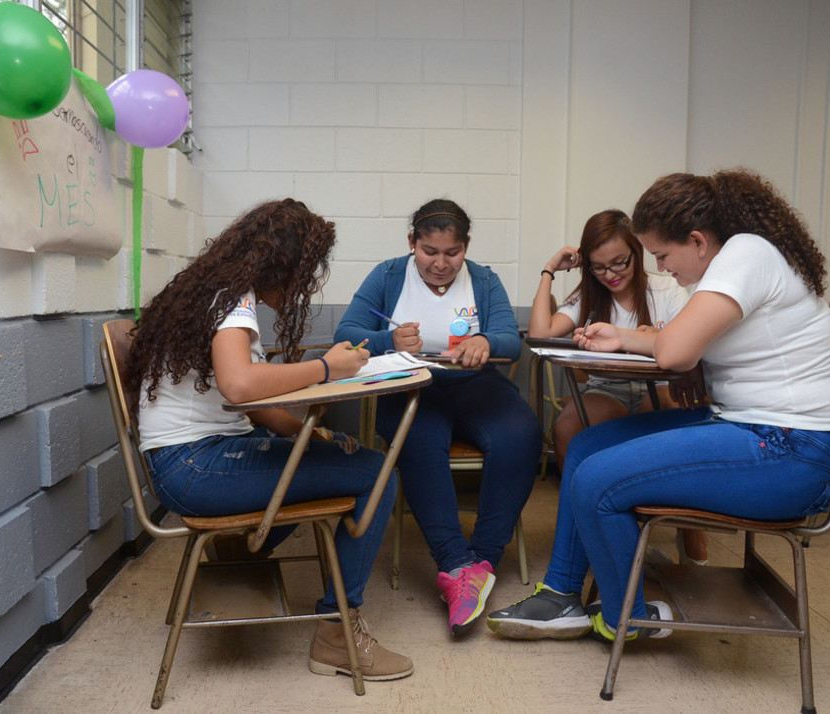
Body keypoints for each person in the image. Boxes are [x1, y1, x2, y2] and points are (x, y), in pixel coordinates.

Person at [487, 169, 830, 644]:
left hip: (793, 454)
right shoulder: (738, 257)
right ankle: (561, 595)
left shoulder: (746, 254)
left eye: (662, 255)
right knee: (586, 446)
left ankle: (628, 618)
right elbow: (681, 344)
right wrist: (623, 335)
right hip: (758, 430)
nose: (663, 267)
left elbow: (677, 352)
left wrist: (640, 340)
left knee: (599, 479)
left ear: (698, 241)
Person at [126, 198, 413, 682]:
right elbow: (241, 385)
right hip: (197, 469)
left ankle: (239, 552)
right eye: (308, 270)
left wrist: (309, 433)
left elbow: (249, 403)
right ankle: (335, 636)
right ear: (284, 264)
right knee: (377, 474)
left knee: (338, 454)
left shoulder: (215, 292)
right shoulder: (231, 301)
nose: (309, 282)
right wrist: (327, 368)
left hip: (189, 463)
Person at [335, 198, 542, 636]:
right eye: (430, 252)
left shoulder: (484, 280)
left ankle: (481, 561)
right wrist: (387, 338)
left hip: (474, 384)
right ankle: (453, 563)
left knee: (521, 433)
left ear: (466, 247)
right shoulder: (389, 274)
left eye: (453, 253)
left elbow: (511, 340)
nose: (441, 263)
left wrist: (487, 340)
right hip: (412, 385)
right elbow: (346, 333)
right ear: (412, 243)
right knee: (419, 438)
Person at [529, 209, 688, 473]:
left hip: (660, 384)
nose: (610, 274)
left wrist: (652, 337)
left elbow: (688, 342)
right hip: (607, 389)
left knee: (657, 416)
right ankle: (578, 505)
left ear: (636, 252)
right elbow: (539, 334)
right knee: (567, 426)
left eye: (619, 262)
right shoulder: (588, 296)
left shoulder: (667, 289)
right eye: (599, 267)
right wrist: (550, 270)